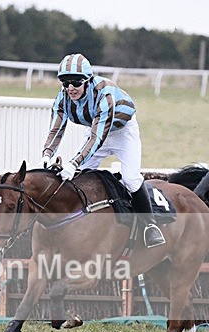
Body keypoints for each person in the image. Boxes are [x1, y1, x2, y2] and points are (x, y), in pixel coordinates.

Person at [41, 53, 165, 248]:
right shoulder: (62, 97)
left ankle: (150, 225)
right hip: (95, 131)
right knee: (77, 179)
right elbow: (56, 129)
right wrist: (47, 155)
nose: (70, 88)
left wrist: (74, 163)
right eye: (65, 82)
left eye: (75, 82)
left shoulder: (104, 94)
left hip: (122, 132)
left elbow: (97, 137)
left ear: (88, 81)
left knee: (131, 179)